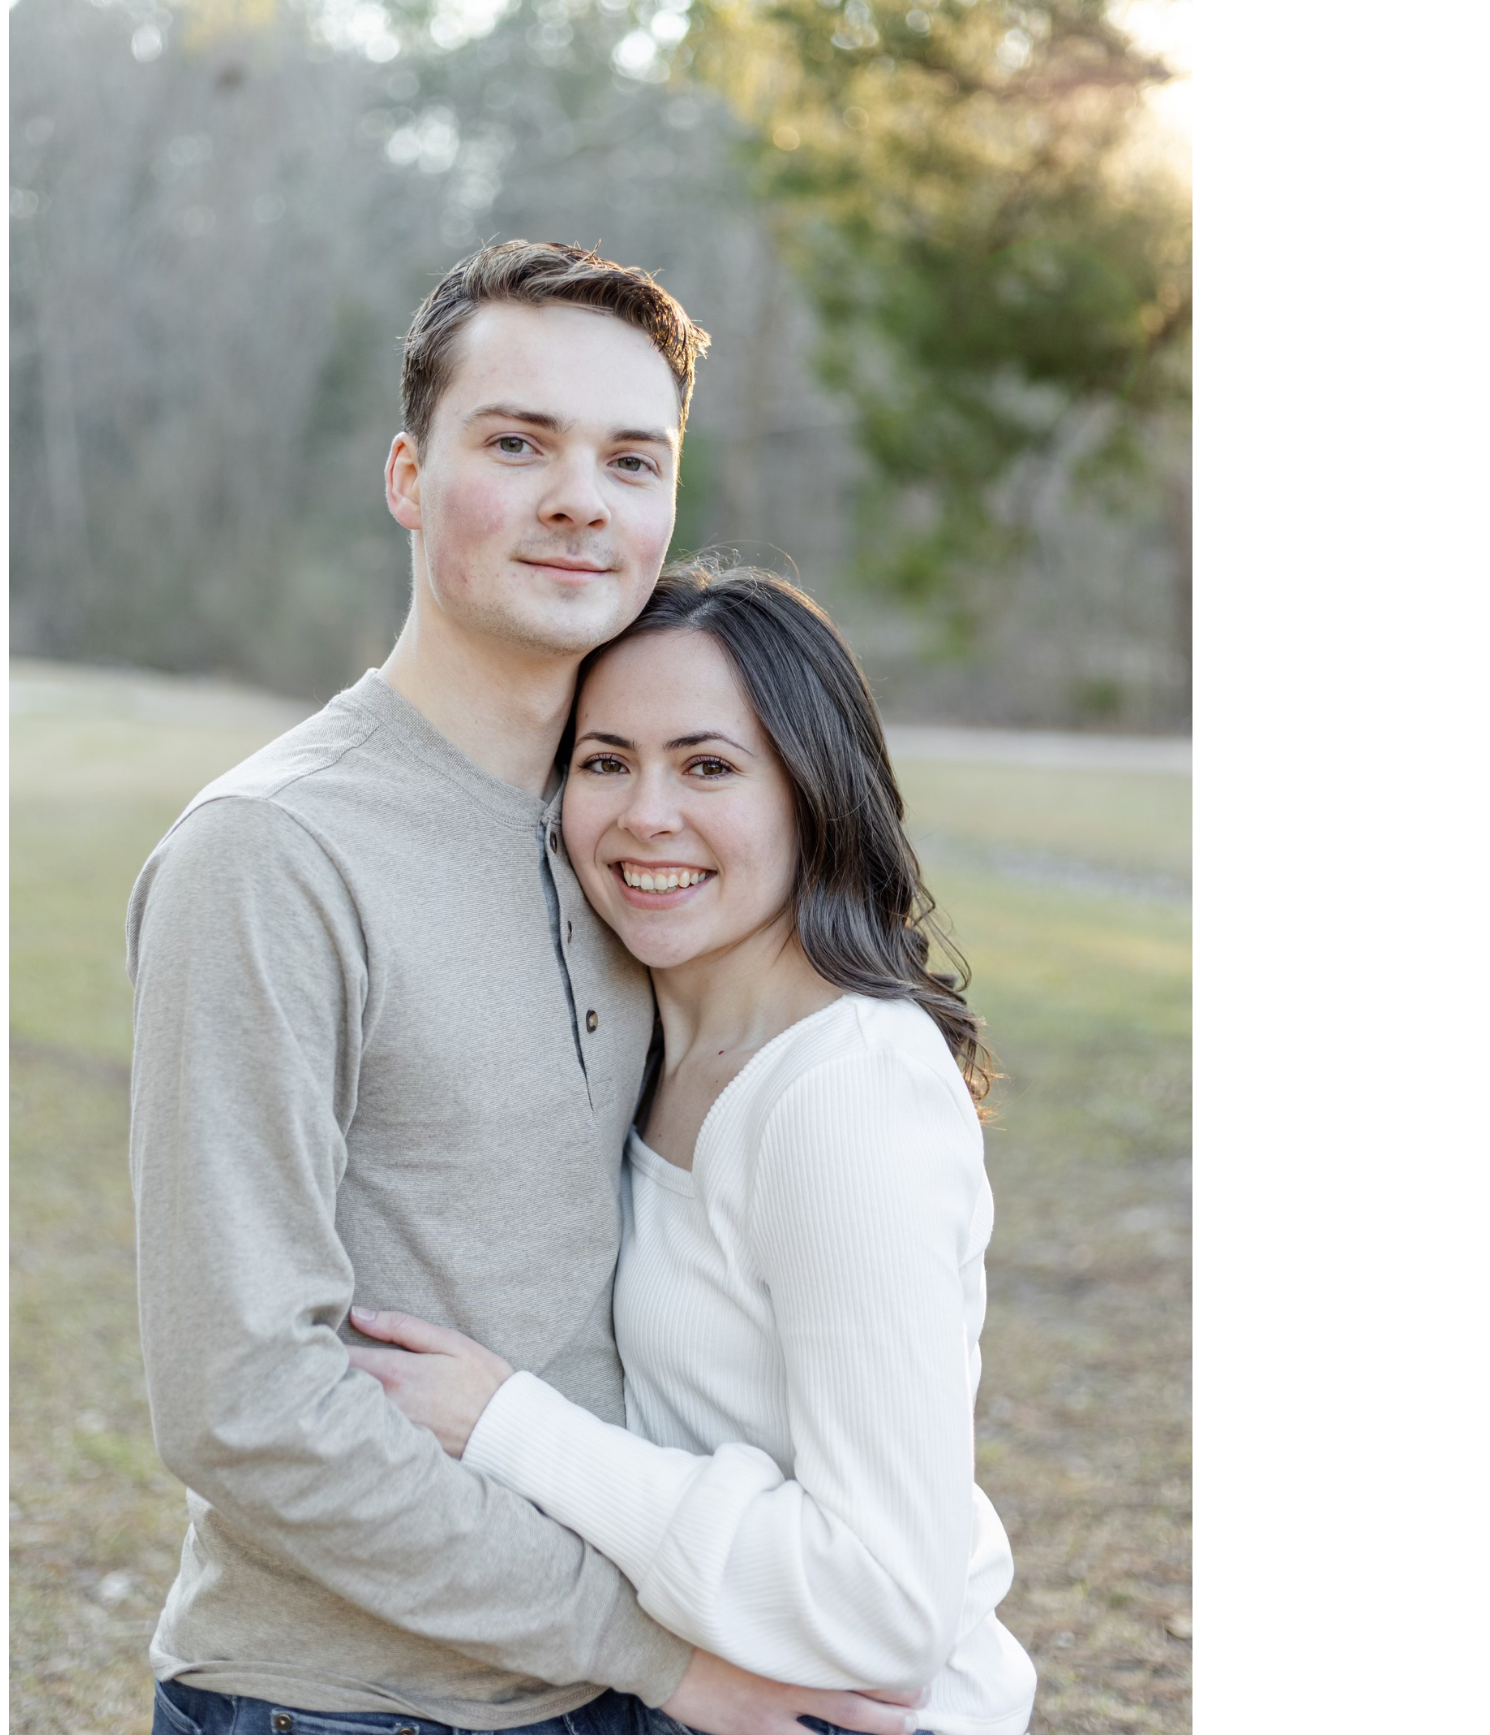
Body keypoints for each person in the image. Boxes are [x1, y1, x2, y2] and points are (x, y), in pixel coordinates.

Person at [127, 244, 928, 1735]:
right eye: (516, 443)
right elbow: (244, 1405)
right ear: (406, 476)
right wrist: (660, 1656)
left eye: (631, 458)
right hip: (348, 1701)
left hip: (611, 1676)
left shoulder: (631, 844)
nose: (579, 499)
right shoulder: (271, 852)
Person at [345, 564, 1039, 1735]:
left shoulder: (841, 1093)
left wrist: (509, 1425)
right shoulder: (653, 1035)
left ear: (812, 792)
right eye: (604, 760)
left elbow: (884, 1604)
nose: (645, 814)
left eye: (707, 765)